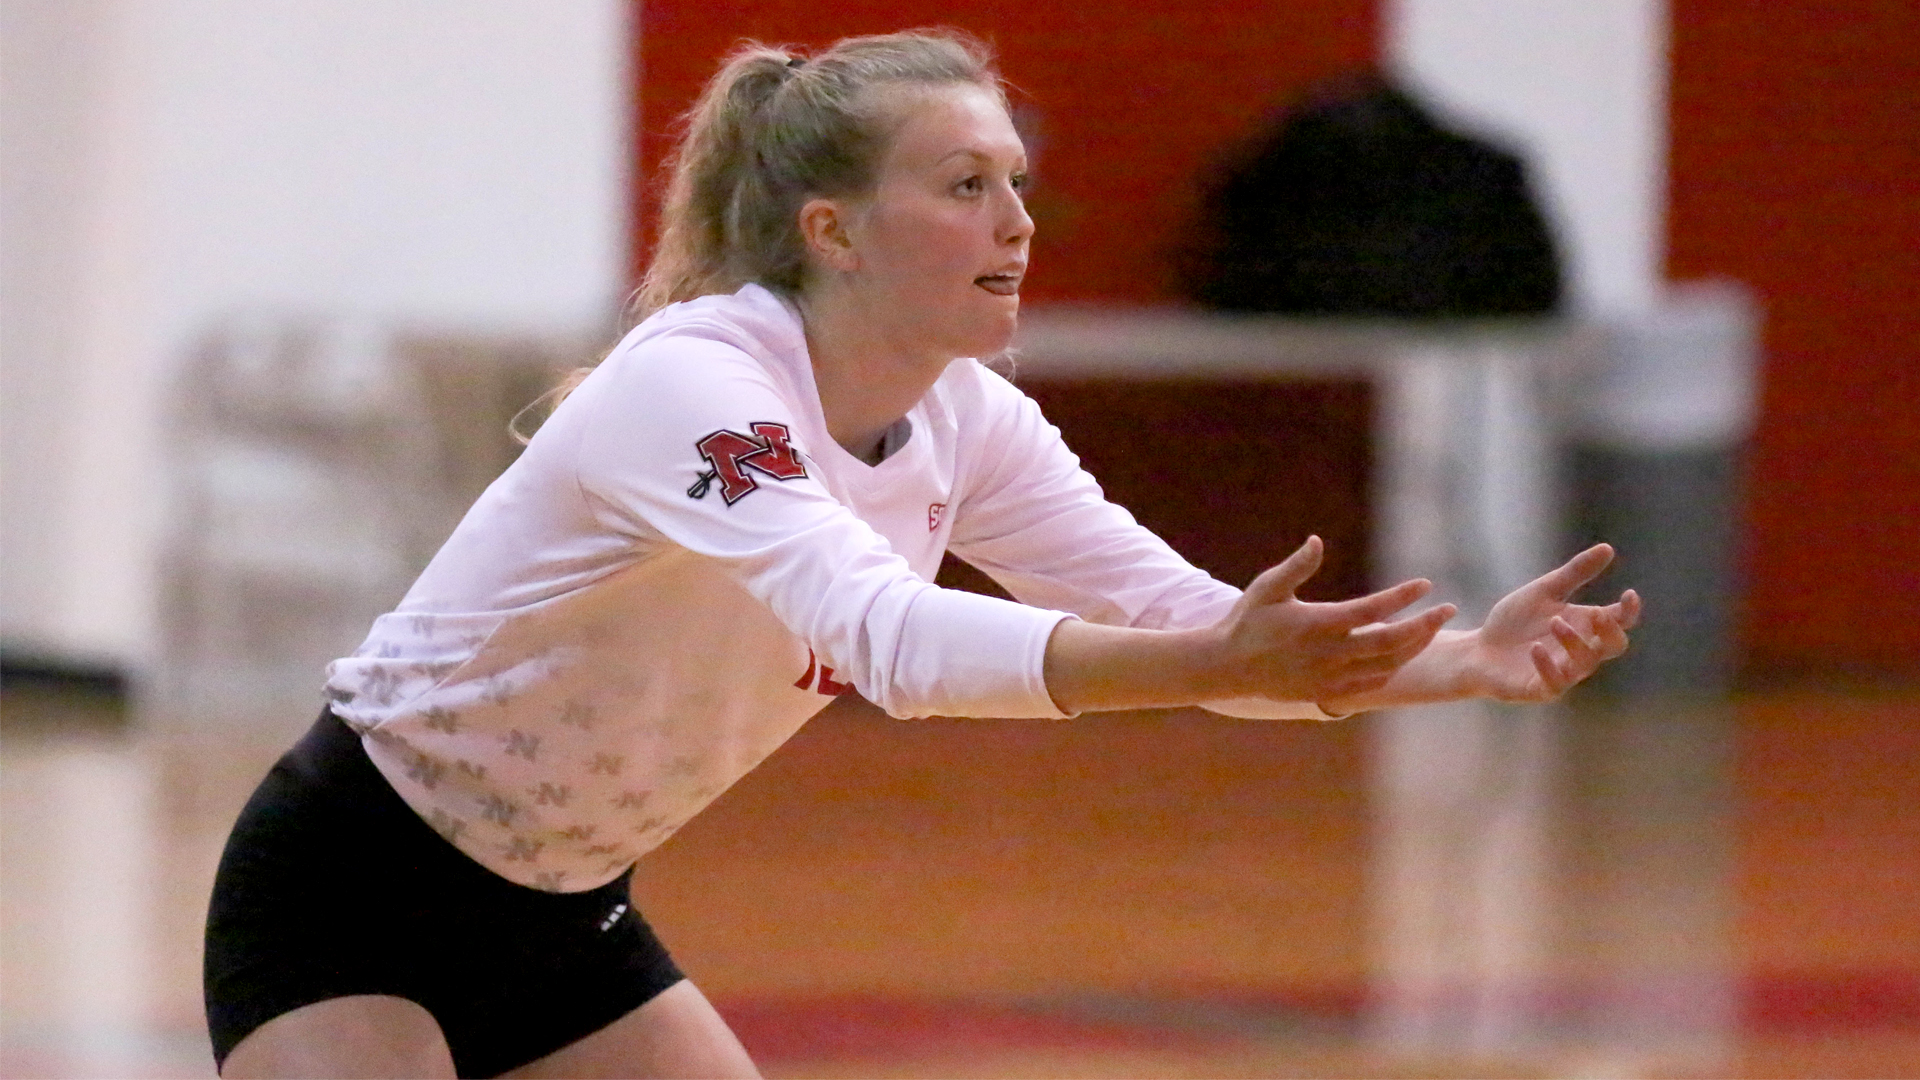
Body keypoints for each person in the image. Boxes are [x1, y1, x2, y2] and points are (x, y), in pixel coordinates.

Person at [203, 29, 1639, 1080]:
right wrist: (1206, 657)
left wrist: (1463, 664)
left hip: (568, 919)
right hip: (349, 888)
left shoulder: (972, 425)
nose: (1016, 221)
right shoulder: (699, 385)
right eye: (962, 184)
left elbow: (1202, 629)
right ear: (830, 229)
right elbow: (893, 639)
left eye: (1017, 182)